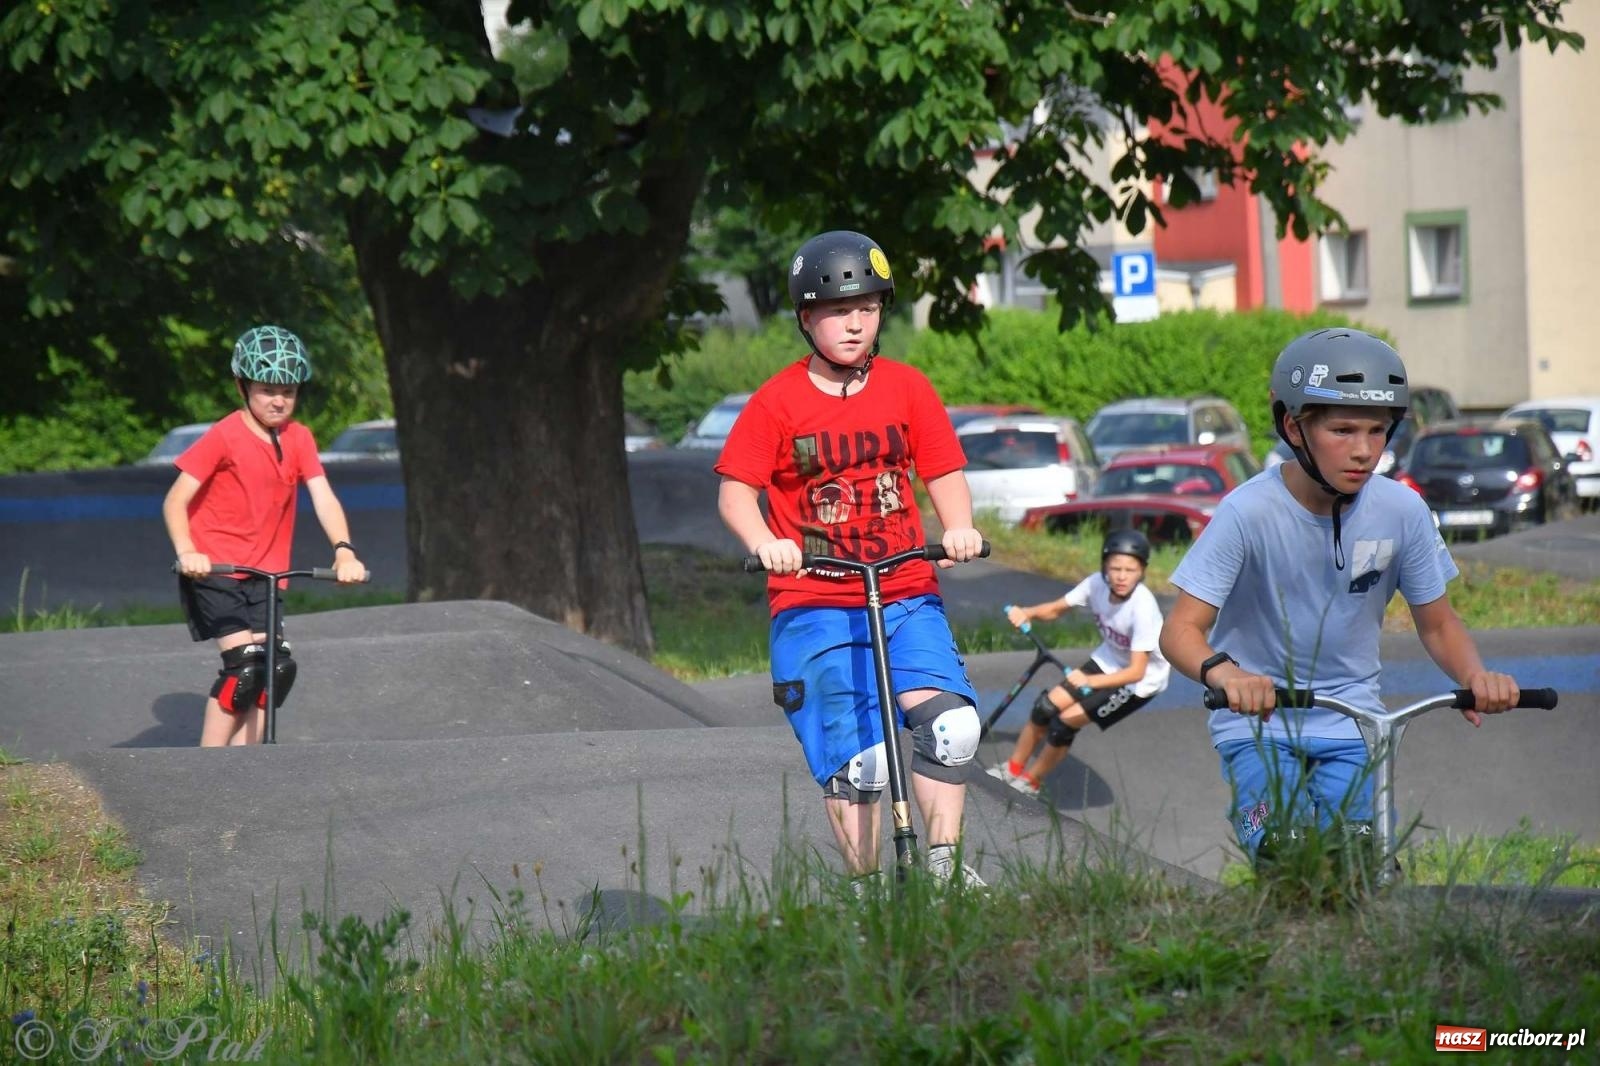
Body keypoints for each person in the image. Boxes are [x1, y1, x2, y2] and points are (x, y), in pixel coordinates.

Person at [1158, 327, 1518, 863]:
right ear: (1293, 427)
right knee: (1283, 850)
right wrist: (1227, 676)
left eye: (1377, 431)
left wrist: (1475, 676)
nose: (1364, 450)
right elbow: (1179, 630)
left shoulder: (1402, 511)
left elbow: (1439, 623)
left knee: (1362, 860)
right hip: (1259, 720)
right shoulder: (1247, 512)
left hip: (1353, 722)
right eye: (1343, 430)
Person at [715, 230, 987, 890]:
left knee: (952, 728)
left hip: (906, 590)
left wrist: (959, 527)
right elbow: (735, 493)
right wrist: (765, 542)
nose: (855, 323)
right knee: (863, 764)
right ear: (806, 318)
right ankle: (865, 897)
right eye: (838, 311)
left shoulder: (907, 388)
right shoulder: (776, 402)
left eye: (867, 308)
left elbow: (942, 470)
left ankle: (944, 875)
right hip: (815, 601)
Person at [162, 325, 367, 747]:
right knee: (244, 667)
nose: (279, 401)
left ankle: (246, 767)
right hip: (216, 569)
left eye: (288, 392)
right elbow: (175, 501)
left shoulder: (300, 438)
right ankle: (205, 766)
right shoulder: (224, 435)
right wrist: (187, 551)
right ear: (242, 386)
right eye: (267, 390)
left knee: (274, 670)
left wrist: (344, 551)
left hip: (266, 574)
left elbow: (324, 497)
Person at [987, 528, 1170, 798]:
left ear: (1142, 571)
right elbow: (1056, 609)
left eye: (1130, 570)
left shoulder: (1143, 608)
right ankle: (1012, 768)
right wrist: (1027, 613)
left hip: (1140, 682)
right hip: (1109, 660)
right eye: (1115, 568)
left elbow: (1136, 672)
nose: (1121, 576)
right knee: (1044, 708)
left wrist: (1089, 681)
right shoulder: (1096, 584)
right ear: (1104, 567)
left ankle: (1030, 783)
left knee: (1063, 724)